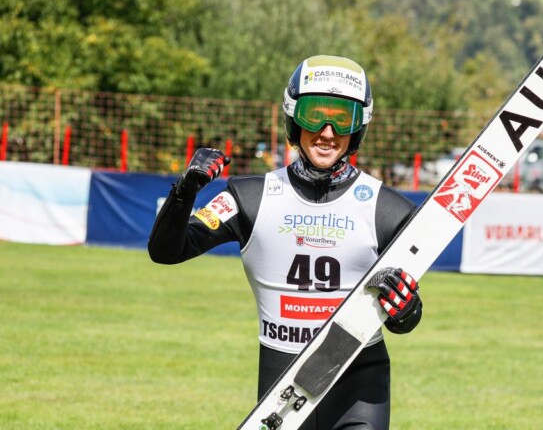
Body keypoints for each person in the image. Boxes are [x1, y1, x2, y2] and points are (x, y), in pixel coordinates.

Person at [148, 55, 422, 429]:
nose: (327, 131)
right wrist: (185, 191)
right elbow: (166, 252)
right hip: (282, 390)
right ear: (293, 118)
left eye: (342, 118)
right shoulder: (250, 198)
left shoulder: (388, 209)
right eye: (314, 114)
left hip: (359, 388)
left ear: (359, 127)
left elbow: (403, 320)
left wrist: (407, 309)